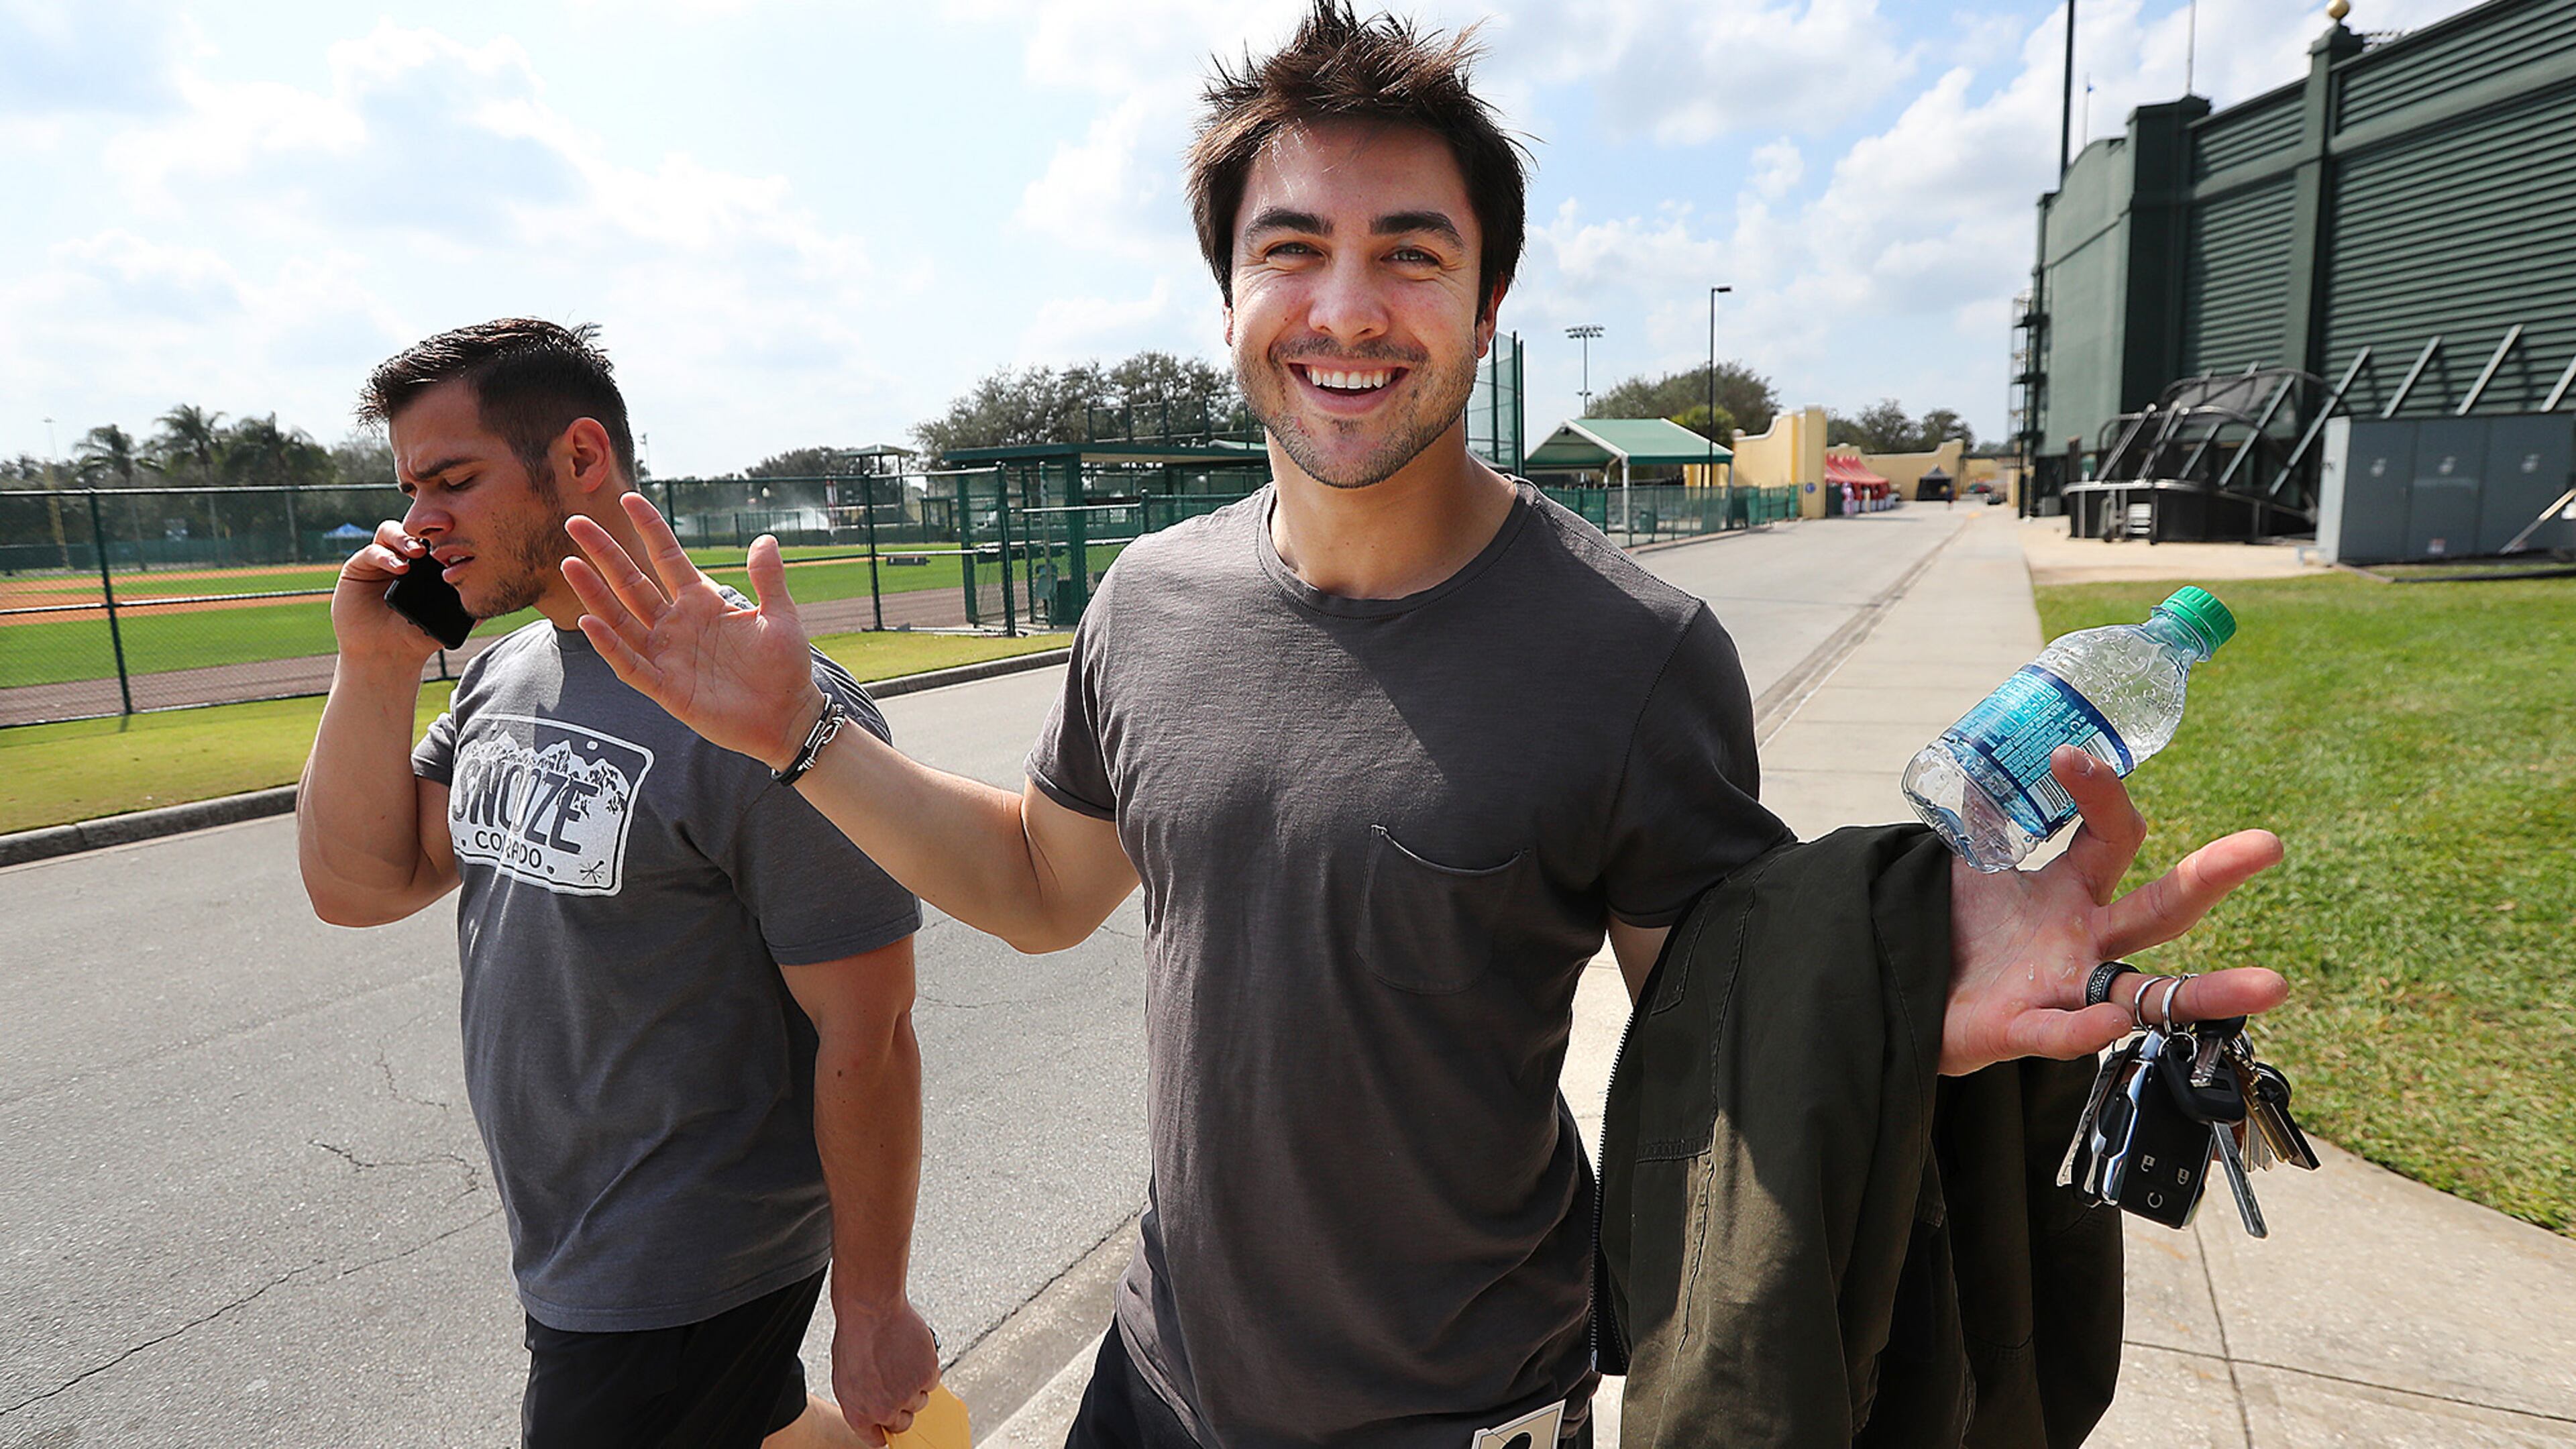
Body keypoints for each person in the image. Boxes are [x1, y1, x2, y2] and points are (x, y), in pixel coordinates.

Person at [559, 7, 2288, 1447]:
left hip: (1459, 1413)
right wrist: (803, 727)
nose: (1346, 307)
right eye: (1289, 249)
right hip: (1155, 1386)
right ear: (1228, 295)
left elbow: (1734, 1016)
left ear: (1483, 303)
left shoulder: (1631, 649)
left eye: (1412, 253)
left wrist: (1911, 996)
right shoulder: (1147, 601)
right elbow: (1034, 888)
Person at [295, 319, 941, 1449]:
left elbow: (871, 1027)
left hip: (689, 1258)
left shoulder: (763, 704)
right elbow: (363, 884)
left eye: (453, 479)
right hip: (565, 1237)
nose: (420, 521)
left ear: (582, 459)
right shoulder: (504, 671)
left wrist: (872, 1305)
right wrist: (375, 666)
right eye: (410, 488)